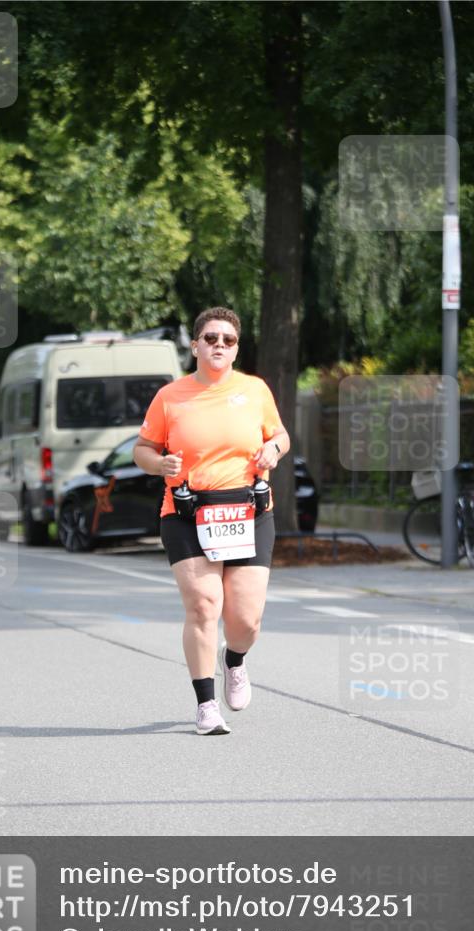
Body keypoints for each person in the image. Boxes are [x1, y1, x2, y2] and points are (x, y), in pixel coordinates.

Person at [133, 306, 290, 735]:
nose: (219, 345)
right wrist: (159, 464)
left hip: (248, 511)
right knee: (204, 605)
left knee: (246, 621)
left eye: (228, 340)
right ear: (195, 345)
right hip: (187, 513)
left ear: (236, 349)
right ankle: (206, 706)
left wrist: (274, 450)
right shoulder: (170, 396)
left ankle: (234, 659)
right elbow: (142, 449)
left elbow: (280, 435)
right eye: (211, 338)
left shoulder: (255, 390)